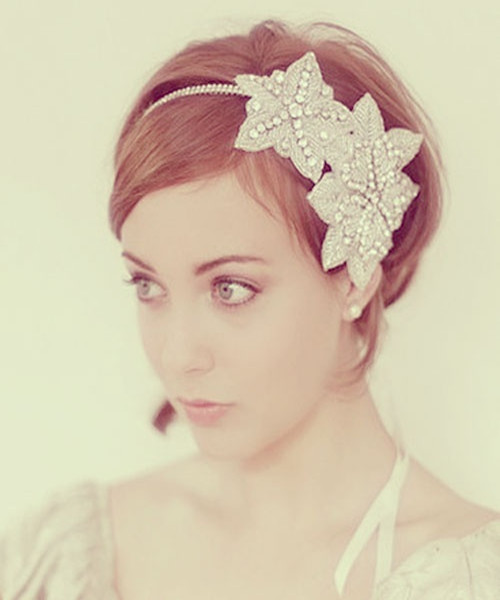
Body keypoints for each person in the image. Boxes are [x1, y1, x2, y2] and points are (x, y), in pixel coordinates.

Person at [1, 19, 499, 600]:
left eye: (230, 289)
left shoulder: (465, 581)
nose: (177, 356)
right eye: (147, 285)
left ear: (355, 278)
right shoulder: (70, 557)